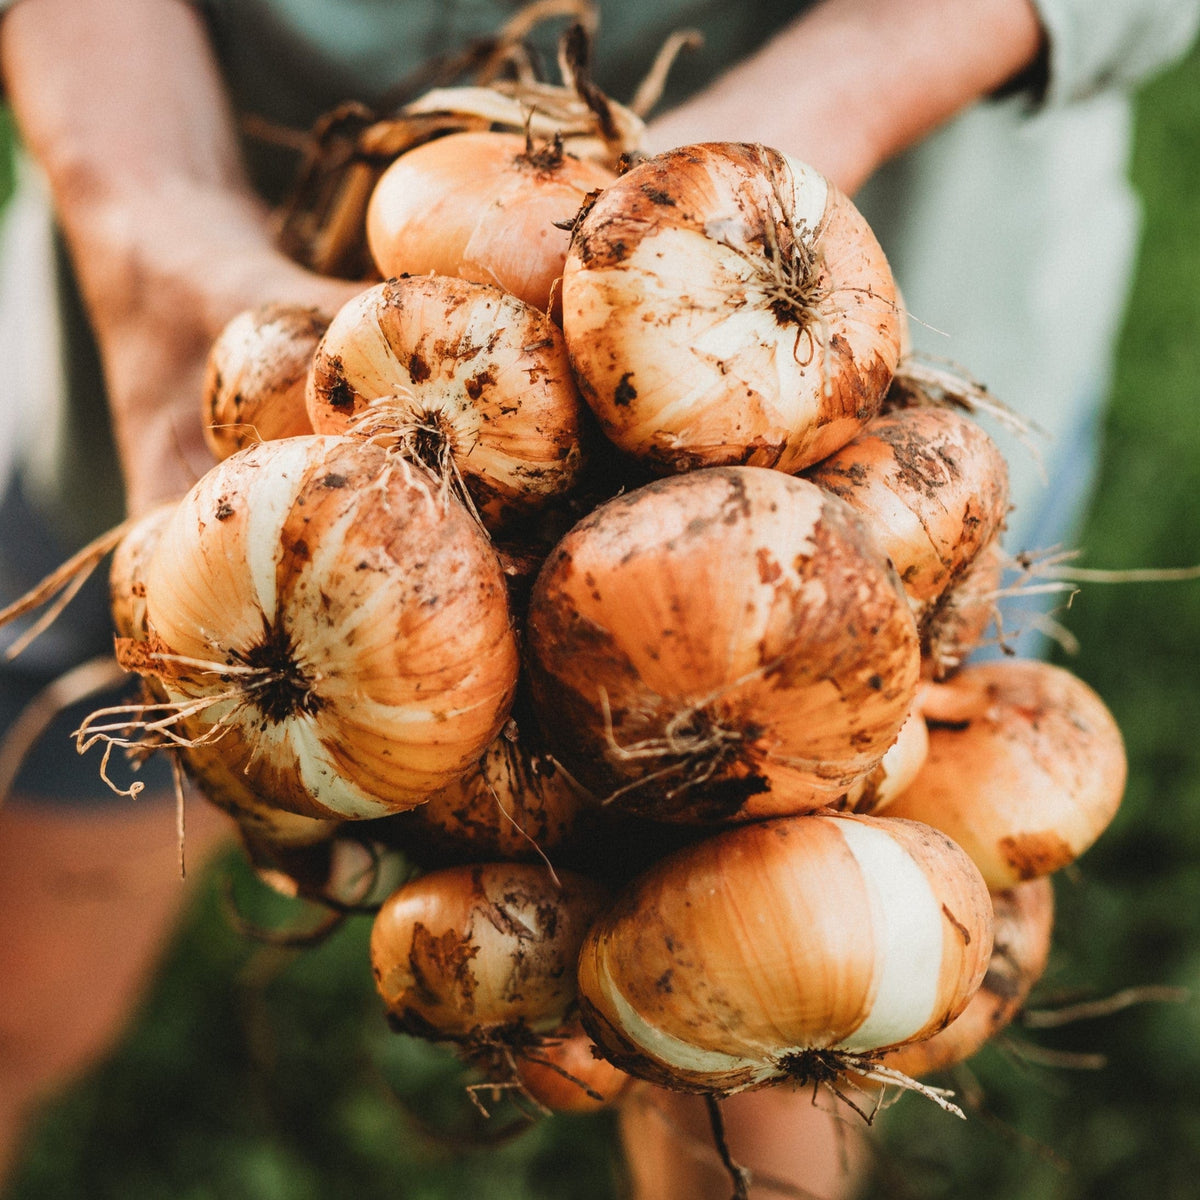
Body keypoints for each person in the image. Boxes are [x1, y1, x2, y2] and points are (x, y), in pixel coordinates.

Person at [0, 1, 1196, 1195]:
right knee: (27, 982)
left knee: (777, 1022)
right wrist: (143, 219)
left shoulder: (898, 494)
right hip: (187, 347)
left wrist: (833, 101)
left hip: (877, 408)